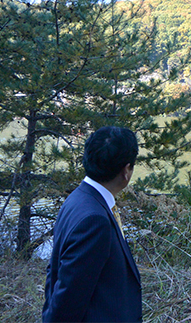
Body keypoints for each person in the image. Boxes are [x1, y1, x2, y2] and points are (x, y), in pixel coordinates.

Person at [43, 126, 142, 322]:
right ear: (126, 171)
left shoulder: (78, 199)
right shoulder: (94, 220)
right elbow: (68, 299)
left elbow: (55, 272)